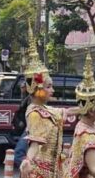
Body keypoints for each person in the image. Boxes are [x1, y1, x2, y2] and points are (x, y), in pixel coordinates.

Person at [19, 32, 80, 178]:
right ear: (38, 89)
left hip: (54, 171)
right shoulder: (34, 113)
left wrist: (88, 106)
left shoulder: (47, 110)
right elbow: (35, 143)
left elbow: (68, 111)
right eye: (49, 87)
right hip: (39, 172)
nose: (52, 90)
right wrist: (27, 160)